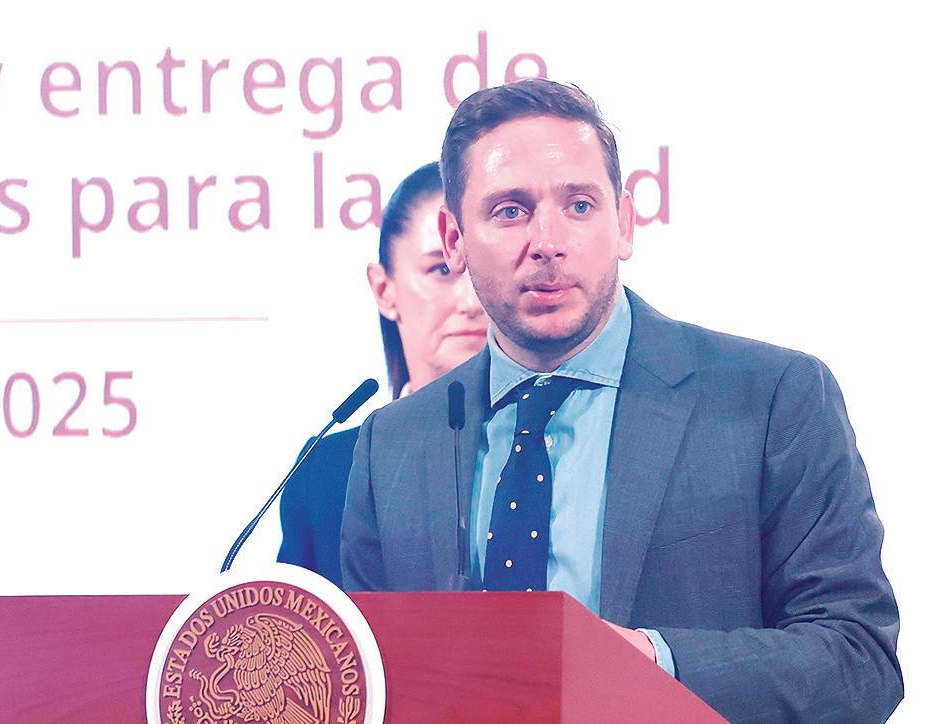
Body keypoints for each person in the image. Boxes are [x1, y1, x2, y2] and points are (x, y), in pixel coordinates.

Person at [340, 79, 902, 721]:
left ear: (625, 223)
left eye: (579, 205)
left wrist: (650, 661)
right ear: (454, 240)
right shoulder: (392, 444)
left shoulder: (772, 399)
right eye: (510, 211)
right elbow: (368, 684)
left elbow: (859, 661)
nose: (547, 241)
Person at [277, 162, 488, 586]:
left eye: (483, 270)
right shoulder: (324, 472)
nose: (472, 301)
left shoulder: (545, 449)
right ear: (383, 289)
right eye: (441, 270)